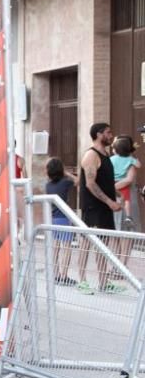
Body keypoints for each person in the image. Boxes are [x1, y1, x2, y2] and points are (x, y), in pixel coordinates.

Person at [76, 122, 124, 294]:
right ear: (98, 134)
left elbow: (105, 181)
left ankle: (103, 281)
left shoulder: (105, 154)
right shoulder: (91, 155)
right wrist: (109, 202)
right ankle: (82, 281)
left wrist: (115, 193)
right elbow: (90, 184)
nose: (111, 136)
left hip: (104, 207)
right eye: (108, 133)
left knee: (103, 244)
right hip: (93, 207)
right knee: (87, 243)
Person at [45, 157, 77, 286]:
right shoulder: (65, 182)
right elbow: (78, 181)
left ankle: (56, 274)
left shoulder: (47, 185)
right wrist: (66, 173)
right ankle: (64, 275)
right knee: (67, 247)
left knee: (55, 247)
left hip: (52, 218)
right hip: (63, 218)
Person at [110, 135, 139, 230]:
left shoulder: (111, 159)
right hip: (122, 186)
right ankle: (128, 217)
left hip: (115, 184)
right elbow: (139, 165)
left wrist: (112, 186)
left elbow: (129, 179)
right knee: (126, 200)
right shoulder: (130, 160)